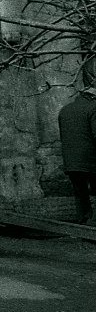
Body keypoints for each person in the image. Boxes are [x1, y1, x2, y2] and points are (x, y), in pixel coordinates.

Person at [58, 82, 96, 225]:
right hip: (90, 160)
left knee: (80, 193)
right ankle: (94, 224)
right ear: (92, 97)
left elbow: (64, 136)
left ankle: (83, 221)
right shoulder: (93, 108)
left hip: (71, 161)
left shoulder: (65, 110)